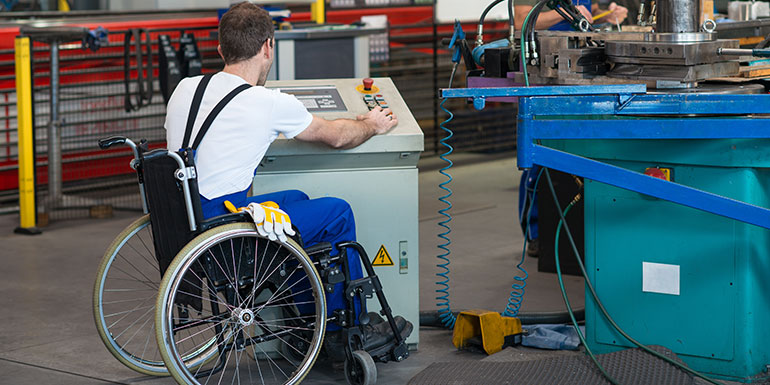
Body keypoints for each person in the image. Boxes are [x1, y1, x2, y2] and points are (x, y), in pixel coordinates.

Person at [164, 1, 411, 353]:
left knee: (296, 200)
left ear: (221, 49)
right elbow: (338, 136)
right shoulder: (267, 102)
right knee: (337, 213)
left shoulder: (185, 89)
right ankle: (352, 328)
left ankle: (308, 321)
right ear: (268, 46)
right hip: (227, 237)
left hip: (188, 224)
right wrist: (371, 123)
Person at [514, 0, 628, 31]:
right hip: (546, 53)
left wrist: (608, 15)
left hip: (585, 50)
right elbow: (521, 21)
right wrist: (567, 12)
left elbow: (592, 13)